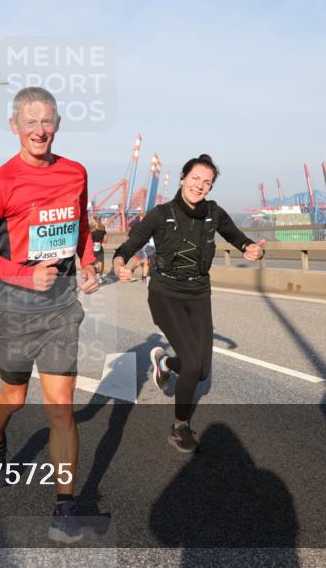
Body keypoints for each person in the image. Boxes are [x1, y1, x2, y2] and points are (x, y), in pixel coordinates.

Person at [0, 86, 99, 543]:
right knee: (14, 400)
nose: (39, 130)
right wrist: (21, 277)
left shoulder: (76, 172)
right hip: (16, 309)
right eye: (31, 121)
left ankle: (66, 503)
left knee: (60, 407)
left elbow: (79, 226)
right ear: (14, 126)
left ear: (57, 124)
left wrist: (90, 262)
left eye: (48, 121)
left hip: (60, 305)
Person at [113, 154, 265, 453]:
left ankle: (165, 363)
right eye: (195, 178)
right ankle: (180, 426)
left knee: (202, 371)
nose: (200, 185)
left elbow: (237, 237)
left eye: (207, 182)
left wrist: (251, 249)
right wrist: (120, 263)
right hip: (165, 293)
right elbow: (129, 245)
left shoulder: (213, 213)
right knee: (193, 366)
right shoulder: (160, 214)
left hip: (198, 294)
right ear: (183, 178)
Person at [90, 216, 107, 282]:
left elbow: (88, 238)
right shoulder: (102, 228)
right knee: (101, 262)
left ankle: (92, 277)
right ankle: (100, 277)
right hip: (99, 246)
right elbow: (105, 237)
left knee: (91, 263)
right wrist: (104, 243)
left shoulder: (90, 227)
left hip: (91, 246)